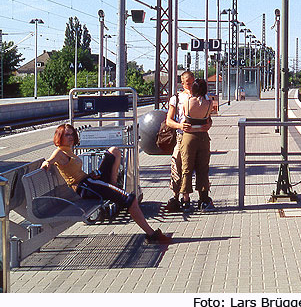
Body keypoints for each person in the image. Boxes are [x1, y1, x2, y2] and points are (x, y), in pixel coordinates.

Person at [41, 123, 171, 244]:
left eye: (72, 134)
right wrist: (46, 164)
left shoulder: (69, 150)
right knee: (130, 199)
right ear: (59, 137)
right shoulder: (60, 152)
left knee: (114, 151)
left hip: (89, 181)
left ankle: (112, 184)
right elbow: (50, 160)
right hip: (85, 187)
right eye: (66, 135)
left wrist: (91, 175)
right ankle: (151, 235)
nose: (70, 137)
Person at [165, 71, 216, 211]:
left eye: (193, 83)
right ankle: (178, 197)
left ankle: (202, 198)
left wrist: (209, 124)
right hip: (182, 135)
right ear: (182, 83)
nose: (191, 86)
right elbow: (168, 120)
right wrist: (180, 126)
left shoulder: (203, 97)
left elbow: (208, 117)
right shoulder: (176, 98)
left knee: (201, 167)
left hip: (199, 134)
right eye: (188, 83)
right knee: (178, 166)